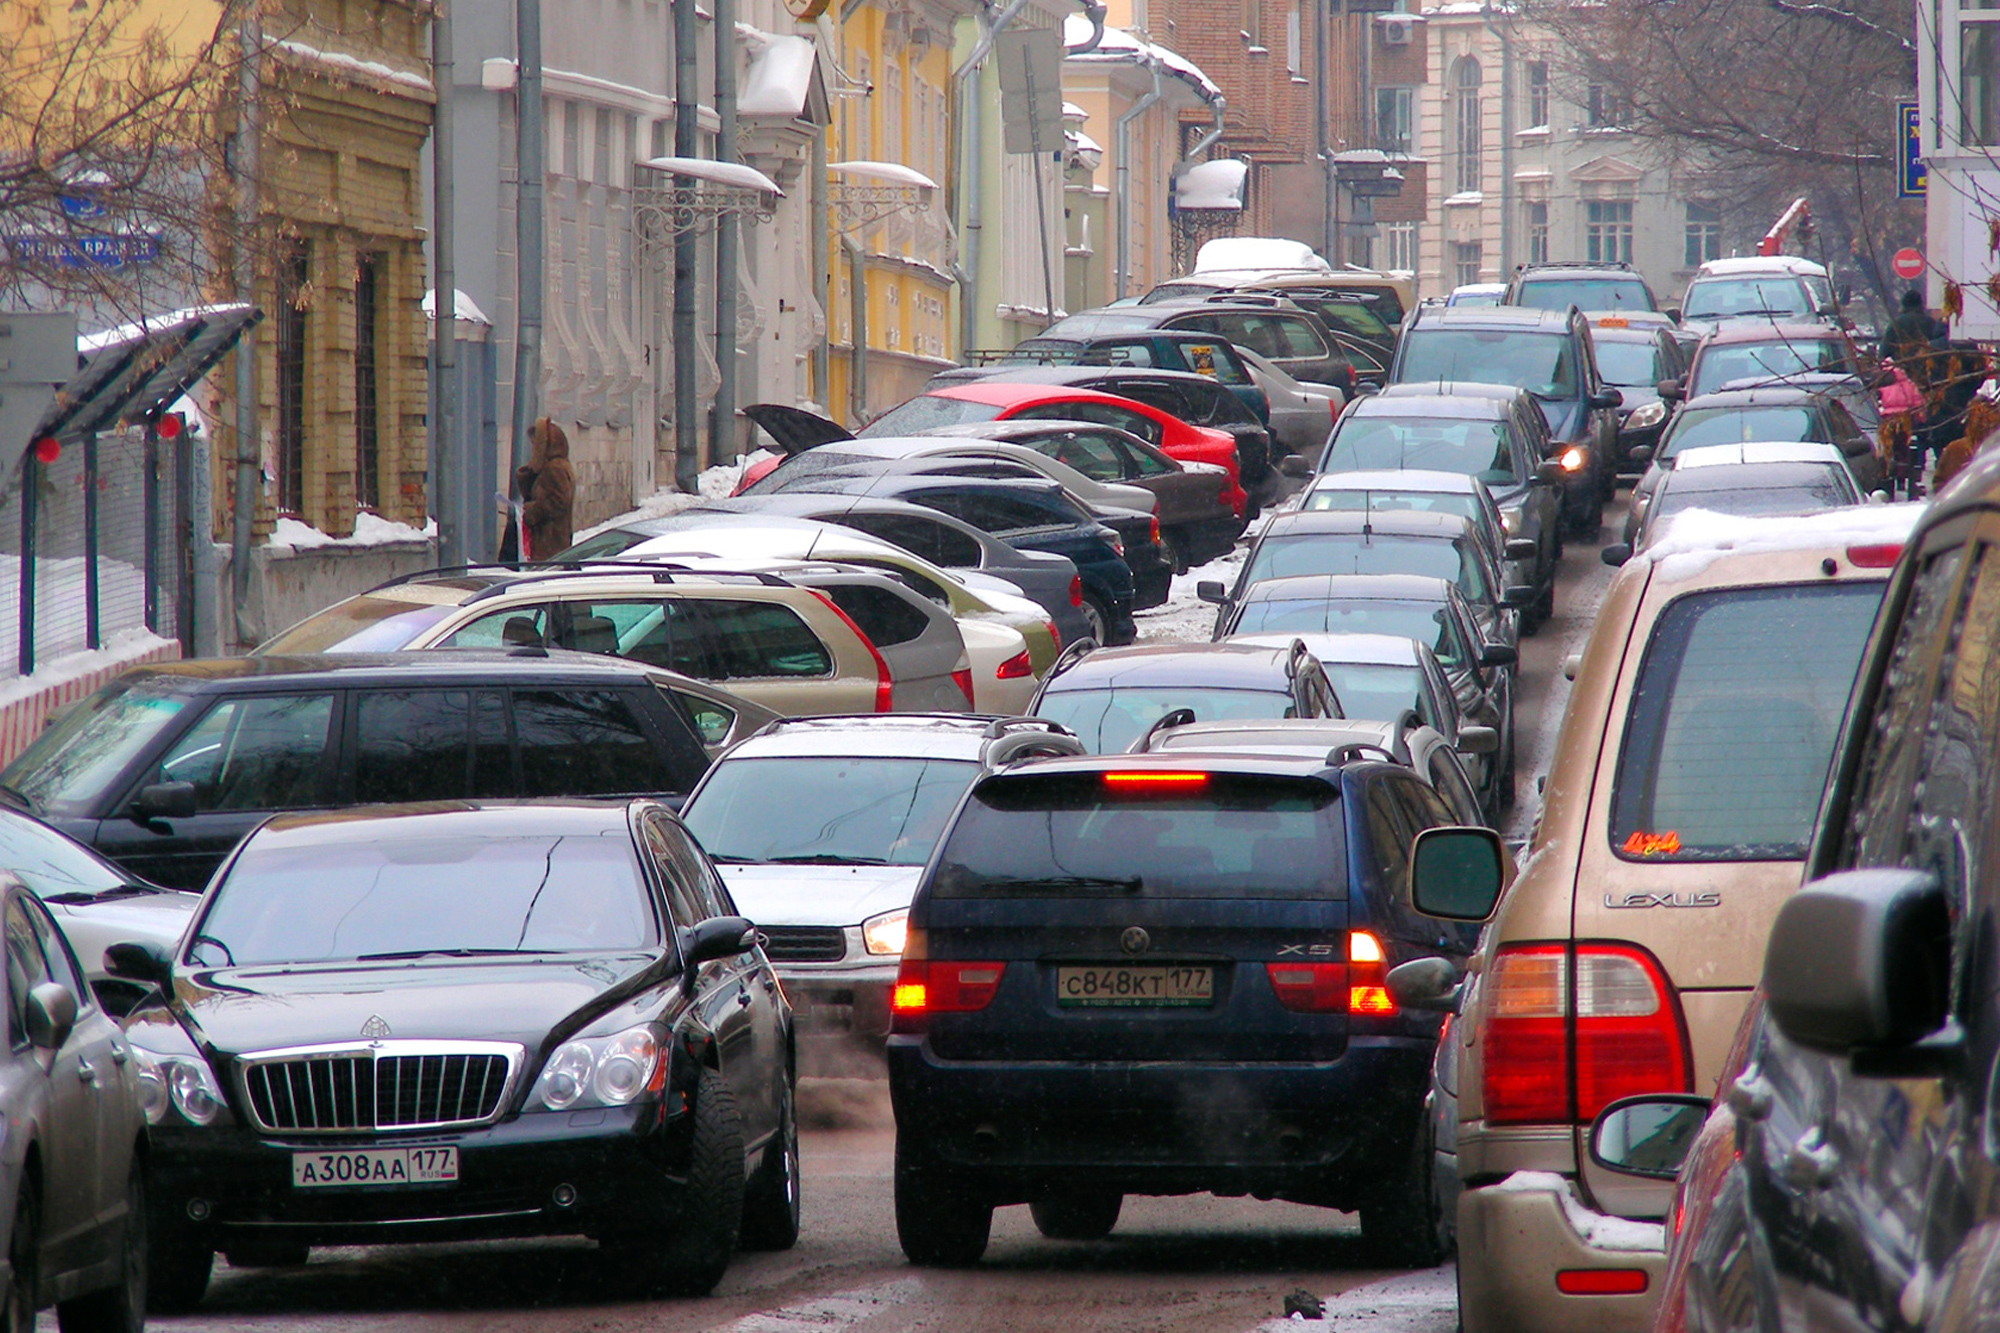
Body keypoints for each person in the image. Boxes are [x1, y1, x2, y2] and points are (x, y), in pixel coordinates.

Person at [516, 417, 575, 560]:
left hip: (550, 542)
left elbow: (557, 502)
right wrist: (529, 474)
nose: (533, 448)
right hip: (549, 541)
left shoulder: (555, 468)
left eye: (535, 444)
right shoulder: (552, 466)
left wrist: (531, 511)